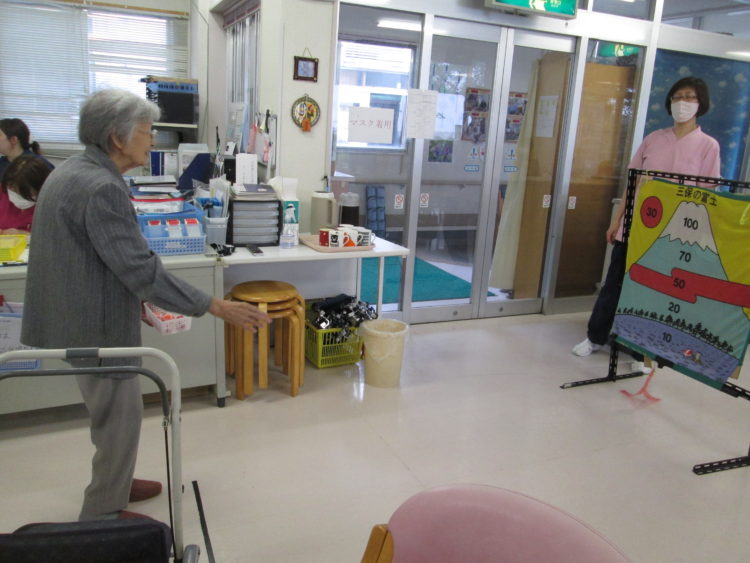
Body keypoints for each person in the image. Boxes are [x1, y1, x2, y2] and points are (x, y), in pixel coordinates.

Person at [20, 88, 271, 522]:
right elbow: (140, 269)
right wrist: (215, 306)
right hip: (93, 326)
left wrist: (132, 298)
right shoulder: (101, 187)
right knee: (119, 418)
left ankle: (117, 480)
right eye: (147, 130)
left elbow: (93, 256)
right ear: (118, 138)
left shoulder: (74, 171)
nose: (153, 138)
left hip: (79, 313)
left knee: (114, 414)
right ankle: (104, 514)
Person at [572, 76, 720, 359]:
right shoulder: (654, 139)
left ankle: (642, 349)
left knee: (655, 291)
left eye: (689, 97)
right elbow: (633, 184)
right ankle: (596, 337)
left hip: (673, 234)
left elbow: (707, 195)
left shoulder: (708, 146)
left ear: (700, 103)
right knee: (615, 284)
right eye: (677, 97)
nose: (682, 103)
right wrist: (617, 220)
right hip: (636, 225)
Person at [0, 155, 52, 234]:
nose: (15, 195)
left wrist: (26, 235)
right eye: (12, 190)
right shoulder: (3, 191)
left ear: (39, 189)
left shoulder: (49, 208)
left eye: (21, 193)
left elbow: (52, 237)